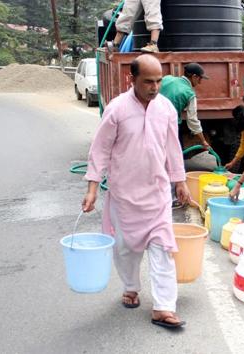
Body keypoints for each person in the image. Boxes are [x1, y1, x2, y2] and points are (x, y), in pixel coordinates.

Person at [81, 55, 191, 329]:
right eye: (148, 82)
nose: (155, 87)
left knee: (163, 249)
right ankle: (130, 287)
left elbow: (173, 147)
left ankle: (164, 307)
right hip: (124, 195)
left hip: (157, 194)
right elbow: (100, 149)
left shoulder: (165, 108)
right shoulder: (117, 109)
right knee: (126, 248)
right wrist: (92, 187)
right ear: (132, 79)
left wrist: (180, 181)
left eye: (158, 81)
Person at [160, 63, 210, 157]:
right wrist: (203, 140)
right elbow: (192, 120)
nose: (200, 82)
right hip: (169, 125)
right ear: (194, 76)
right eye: (200, 79)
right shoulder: (190, 94)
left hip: (151, 121)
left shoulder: (167, 78)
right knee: (176, 155)